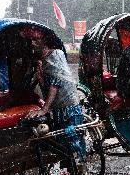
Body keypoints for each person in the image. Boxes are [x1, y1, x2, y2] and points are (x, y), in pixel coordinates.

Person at [23, 31, 86, 169]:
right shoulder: (41, 61)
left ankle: (80, 169)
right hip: (58, 109)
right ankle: (68, 169)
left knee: (72, 142)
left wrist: (44, 109)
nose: (32, 43)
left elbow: (55, 84)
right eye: (31, 41)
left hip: (69, 107)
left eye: (36, 40)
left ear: (44, 42)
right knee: (61, 146)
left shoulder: (56, 54)